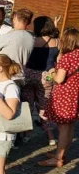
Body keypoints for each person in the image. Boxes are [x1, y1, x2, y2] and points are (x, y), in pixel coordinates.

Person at [42, 28, 79, 167]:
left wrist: (52, 71)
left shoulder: (67, 57)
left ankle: (58, 159)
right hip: (75, 94)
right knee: (70, 126)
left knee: (63, 128)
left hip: (64, 94)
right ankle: (62, 153)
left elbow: (59, 79)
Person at [23, 16, 59, 145]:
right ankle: (50, 136)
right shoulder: (56, 42)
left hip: (29, 75)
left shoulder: (31, 41)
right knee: (43, 107)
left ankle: (26, 134)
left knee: (27, 105)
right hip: (47, 77)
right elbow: (57, 61)